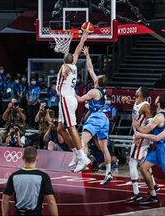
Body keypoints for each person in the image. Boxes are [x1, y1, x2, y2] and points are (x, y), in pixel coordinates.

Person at [75, 46, 112, 182]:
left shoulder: (94, 92)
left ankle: (83, 161)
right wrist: (87, 54)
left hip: (96, 117)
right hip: (104, 119)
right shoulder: (101, 89)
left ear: (98, 81)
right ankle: (108, 173)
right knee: (103, 148)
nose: (95, 76)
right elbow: (90, 68)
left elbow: (80, 99)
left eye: (97, 77)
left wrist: (68, 91)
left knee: (82, 141)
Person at [56, 30, 90, 171]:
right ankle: (76, 154)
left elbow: (64, 70)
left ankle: (82, 157)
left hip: (66, 99)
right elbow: (77, 50)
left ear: (64, 60)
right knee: (60, 129)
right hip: (69, 99)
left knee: (71, 128)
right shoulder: (74, 65)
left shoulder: (65, 67)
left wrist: (63, 73)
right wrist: (84, 36)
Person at [133, 95, 165, 205]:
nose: (154, 99)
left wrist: (137, 127)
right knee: (143, 168)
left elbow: (144, 130)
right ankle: (153, 195)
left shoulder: (159, 117)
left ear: (158, 103)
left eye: (156, 99)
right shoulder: (164, 113)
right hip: (159, 148)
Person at [121, 86, 158, 203]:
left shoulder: (145, 107)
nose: (136, 89)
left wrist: (145, 135)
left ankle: (136, 193)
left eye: (138, 89)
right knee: (142, 162)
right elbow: (136, 105)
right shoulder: (138, 101)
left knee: (132, 163)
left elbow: (151, 122)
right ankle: (154, 185)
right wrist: (128, 100)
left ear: (141, 93)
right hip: (138, 135)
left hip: (140, 137)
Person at [2, 147, 58, 216]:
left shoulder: (14, 176)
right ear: (37, 158)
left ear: (23, 158)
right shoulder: (43, 176)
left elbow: (5, 199)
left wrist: (5, 214)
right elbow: (51, 201)